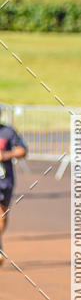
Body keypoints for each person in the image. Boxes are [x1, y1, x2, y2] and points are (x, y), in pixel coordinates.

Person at [0, 110, 28, 265]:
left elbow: (22, 151)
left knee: (2, 215)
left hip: (4, 181)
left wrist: (5, 155)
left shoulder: (8, 132)